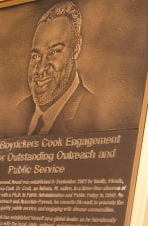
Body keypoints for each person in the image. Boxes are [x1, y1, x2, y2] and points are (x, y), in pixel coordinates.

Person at [17, 1, 106, 135]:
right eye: (36, 55)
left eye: (53, 52)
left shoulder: (97, 118)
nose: (40, 70)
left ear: (76, 48)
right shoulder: (17, 113)